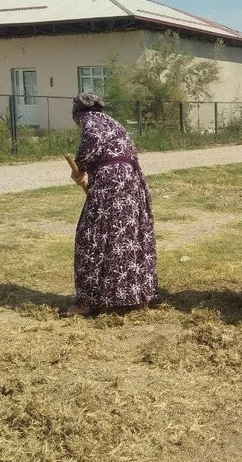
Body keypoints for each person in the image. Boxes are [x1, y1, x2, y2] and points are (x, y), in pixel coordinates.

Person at [66, 93, 158, 316]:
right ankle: (131, 298)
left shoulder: (91, 120)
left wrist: (79, 166)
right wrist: (86, 172)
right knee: (124, 237)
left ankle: (87, 302)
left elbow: (92, 141)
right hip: (130, 182)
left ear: (78, 114)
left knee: (92, 237)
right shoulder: (113, 122)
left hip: (112, 185)